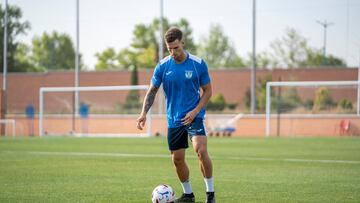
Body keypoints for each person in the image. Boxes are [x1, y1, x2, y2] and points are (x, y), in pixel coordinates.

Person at [136, 27, 215, 203]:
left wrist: (195, 111)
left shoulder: (198, 63)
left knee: (201, 151)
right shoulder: (163, 66)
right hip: (174, 118)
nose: (172, 52)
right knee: (177, 159)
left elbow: (208, 91)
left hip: (195, 116)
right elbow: (152, 91)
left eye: (176, 47)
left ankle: (210, 194)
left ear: (183, 43)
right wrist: (143, 113)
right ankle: (188, 195)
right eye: (169, 48)